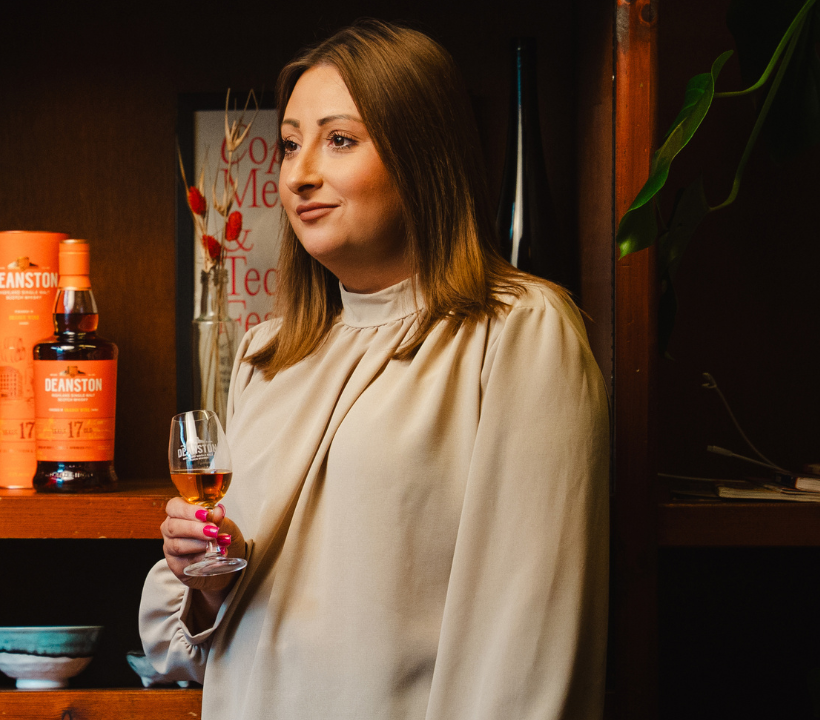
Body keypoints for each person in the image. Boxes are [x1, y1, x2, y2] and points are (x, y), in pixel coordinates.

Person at [138, 20, 608, 720]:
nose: (299, 173)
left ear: (423, 153)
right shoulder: (270, 354)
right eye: (290, 143)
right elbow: (191, 645)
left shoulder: (520, 330)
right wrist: (205, 576)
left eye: (340, 139)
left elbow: (525, 644)